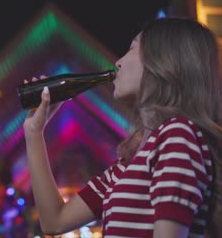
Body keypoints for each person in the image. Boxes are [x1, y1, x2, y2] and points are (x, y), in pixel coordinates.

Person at [23, 17, 222, 237]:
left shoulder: (178, 137)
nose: (118, 62)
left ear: (164, 60)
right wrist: (34, 132)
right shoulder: (130, 163)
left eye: (132, 49)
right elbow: (55, 221)